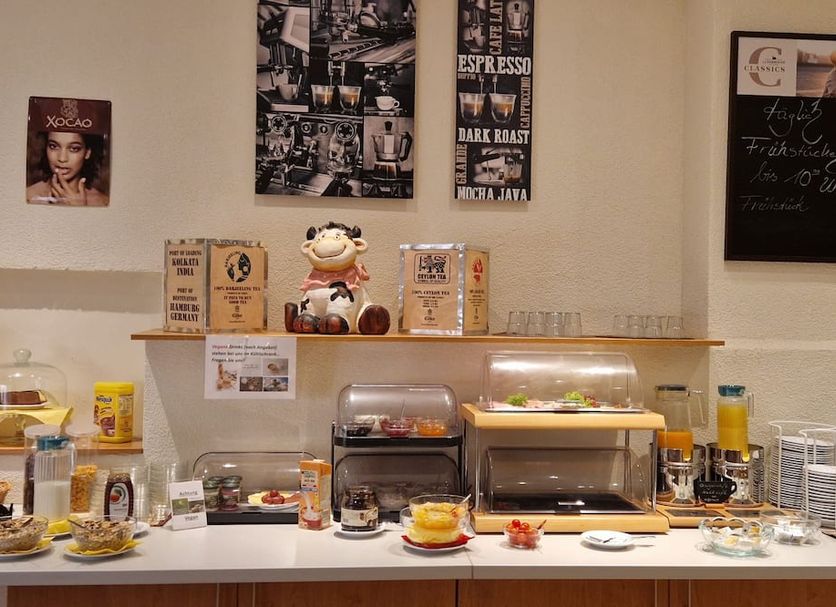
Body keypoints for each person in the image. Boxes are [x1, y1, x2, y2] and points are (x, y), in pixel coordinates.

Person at [26, 131, 108, 206]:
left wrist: (79, 210)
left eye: (74, 149)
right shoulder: (28, 197)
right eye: (53, 146)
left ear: (87, 153)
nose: (62, 158)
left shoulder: (104, 203)